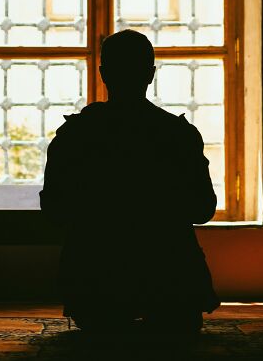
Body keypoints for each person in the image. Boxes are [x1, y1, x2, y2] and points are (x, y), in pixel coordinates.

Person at [40, 29, 219, 334]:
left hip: (95, 280)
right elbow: (203, 209)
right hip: (170, 278)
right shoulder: (177, 135)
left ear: (103, 74)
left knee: (103, 333)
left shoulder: (76, 135)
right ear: (150, 75)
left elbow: (55, 210)